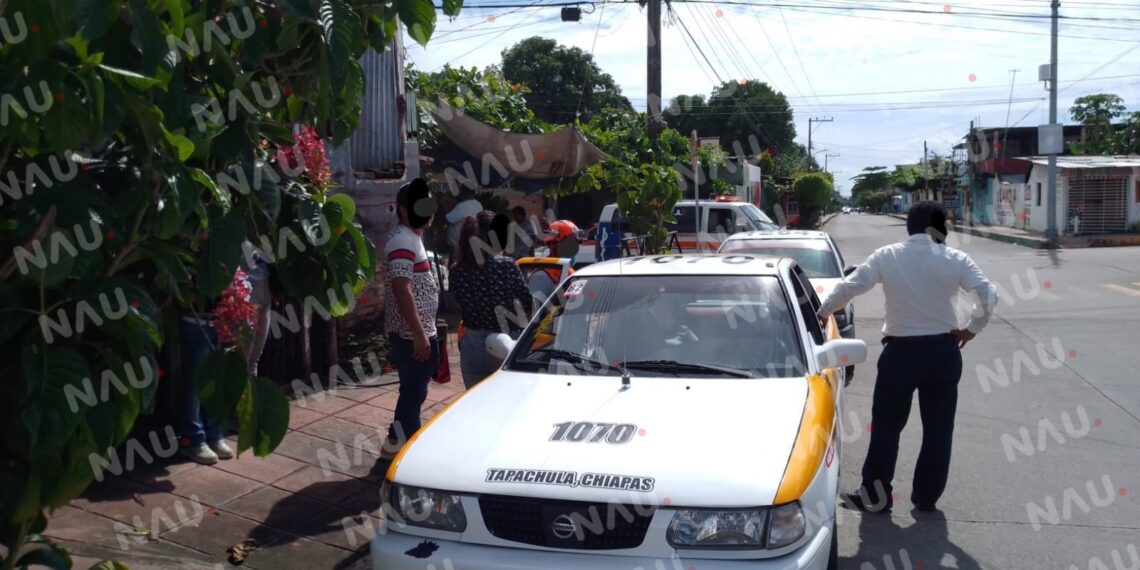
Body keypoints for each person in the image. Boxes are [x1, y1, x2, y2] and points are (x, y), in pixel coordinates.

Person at [816, 201, 998, 513]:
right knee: (938, 430)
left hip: (900, 355)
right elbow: (988, 294)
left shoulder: (888, 255)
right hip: (943, 353)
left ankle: (876, 498)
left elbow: (850, 287)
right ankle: (926, 499)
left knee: (886, 428)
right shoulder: (956, 258)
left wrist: (822, 313)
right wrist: (971, 329)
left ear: (908, 227)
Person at [381, 178, 441, 460]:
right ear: (405, 210)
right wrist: (419, 333)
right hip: (410, 334)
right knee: (413, 394)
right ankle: (413, 457)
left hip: (415, 331)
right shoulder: (403, 240)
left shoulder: (410, 237)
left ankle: (393, 445)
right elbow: (401, 286)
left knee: (413, 392)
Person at [451, 211, 534, 389]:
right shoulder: (507, 266)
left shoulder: (456, 271)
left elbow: (459, 303)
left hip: (472, 344)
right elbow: (528, 303)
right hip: (504, 343)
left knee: (475, 405)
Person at [445, 188, 482, 255]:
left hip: (457, 246)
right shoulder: (478, 204)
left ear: (462, 192)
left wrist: (447, 207)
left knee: (455, 264)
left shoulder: (461, 206)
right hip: (469, 243)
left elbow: (448, 220)